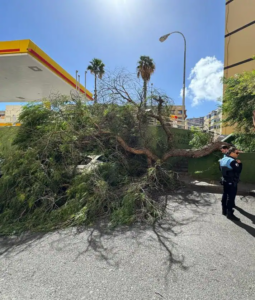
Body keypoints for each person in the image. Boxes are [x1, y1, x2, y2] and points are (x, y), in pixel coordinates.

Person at [219, 147, 242, 221]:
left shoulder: (222, 159)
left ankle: (224, 210)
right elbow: (238, 170)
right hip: (232, 182)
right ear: (232, 152)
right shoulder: (232, 161)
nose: (238, 154)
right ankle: (230, 214)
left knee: (225, 194)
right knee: (231, 197)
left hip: (225, 180)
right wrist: (240, 164)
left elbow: (220, 169)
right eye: (237, 152)